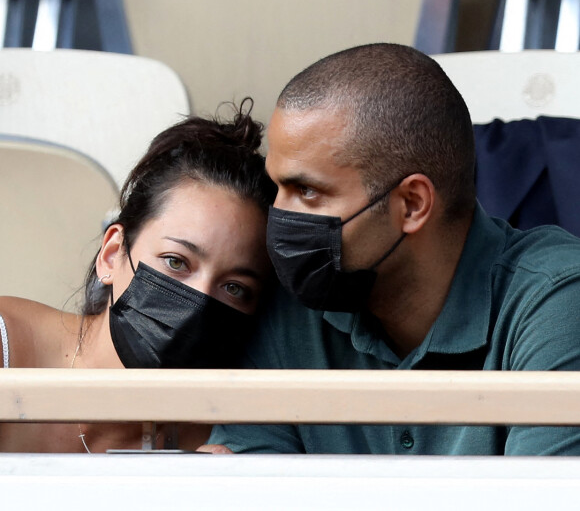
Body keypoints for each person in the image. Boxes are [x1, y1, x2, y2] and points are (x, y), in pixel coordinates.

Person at [209, 43, 580, 455]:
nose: (278, 217)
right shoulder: (290, 305)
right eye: (275, 187)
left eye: (307, 192)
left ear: (412, 204)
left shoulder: (557, 304)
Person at [0, 99, 275, 453]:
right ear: (112, 254)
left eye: (234, 287)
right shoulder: (8, 351)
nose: (198, 303)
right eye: (176, 262)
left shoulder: (231, 434)